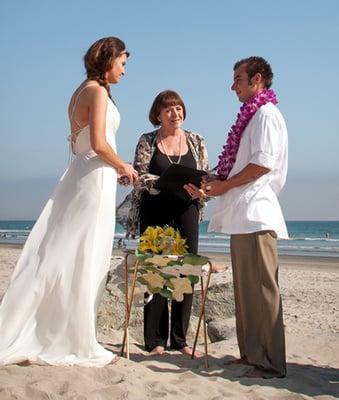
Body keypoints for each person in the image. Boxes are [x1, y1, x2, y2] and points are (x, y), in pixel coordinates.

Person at [0, 37, 138, 367]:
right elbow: (99, 142)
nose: (124, 70)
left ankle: (59, 328)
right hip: (93, 179)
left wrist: (109, 166)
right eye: (122, 63)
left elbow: (80, 143)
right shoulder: (98, 92)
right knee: (86, 254)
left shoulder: (80, 91)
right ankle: (76, 338)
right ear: (108, 60)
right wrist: (123, 165)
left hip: (84, 172)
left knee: (66, 251)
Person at [201, 57, 288, 378]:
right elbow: (238, 167)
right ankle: (251, 354)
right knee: (246, 290)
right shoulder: (252, 115)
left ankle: (271, 362)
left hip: (258, 212)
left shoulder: (266, 114)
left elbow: (262, 165)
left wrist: (224, 184)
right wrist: (212, 184)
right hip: (242, 214)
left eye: (238, 78)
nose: (232, 85)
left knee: (264, 290)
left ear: (258, 80)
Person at [117, 90, 208, 356]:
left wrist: (203, 191)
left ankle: (180, 340)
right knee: (156, 273)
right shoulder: (147, 140)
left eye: (179, 109)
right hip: (154, 210)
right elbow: (139, 176)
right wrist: (162, 182)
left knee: (185, 272)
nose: (174, 114)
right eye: (168, 110)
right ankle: (155, 340)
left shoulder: (196, 140)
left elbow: (206, 175)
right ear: (158, 114)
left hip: (187, 209)